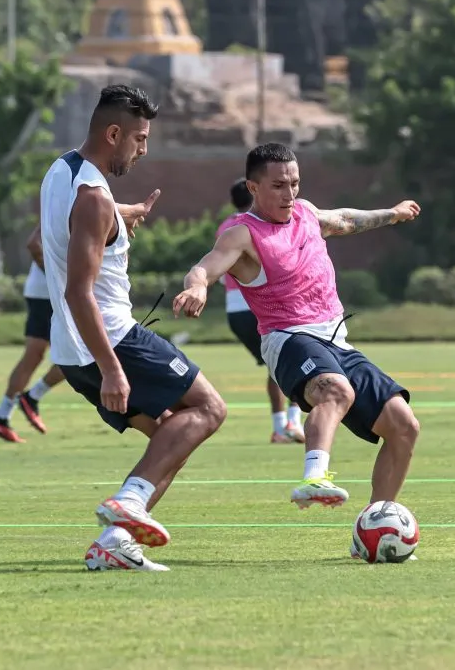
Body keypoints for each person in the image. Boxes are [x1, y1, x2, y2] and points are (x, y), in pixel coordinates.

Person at [173, 143, 422, 545]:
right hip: (288, 338)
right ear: (253, 187)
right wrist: (198, 288)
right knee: (335, 391)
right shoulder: (243, 233)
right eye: (278, 186)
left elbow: (342, 219)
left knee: (404, 425)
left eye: (294, 183)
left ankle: (373, 527)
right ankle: (314, 477)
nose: (288, 193)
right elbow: (206, 265)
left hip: (335, 338)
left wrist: (391, 214)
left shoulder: (305, 212)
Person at [41, 84, 227, 572]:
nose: (143, 150)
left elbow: (66, 227)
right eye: (139, 139)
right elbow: (78, 291)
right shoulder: (95, 199)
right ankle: (129, 501)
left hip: (69, 349)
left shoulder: (61, 172)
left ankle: (115, 543)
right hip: (112, 338)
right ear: (114, 133)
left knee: (172, 438)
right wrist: (113, 370)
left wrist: (126, 216)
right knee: (209, 408)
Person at [220, 177, 305, 444]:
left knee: (276, 366)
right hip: (265, 305)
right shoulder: (262, 224)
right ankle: (291, 423)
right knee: (292, 363)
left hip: (235, 310)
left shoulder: (226, 226)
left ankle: (282, 426)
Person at [0, 224, 67, 443]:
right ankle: (32, 397)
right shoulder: (69, 203)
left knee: (34, 356)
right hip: (49, 296)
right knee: (79, 354)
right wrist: (55, 276)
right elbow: (34, 244)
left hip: (44, 294)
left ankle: (2, 417)